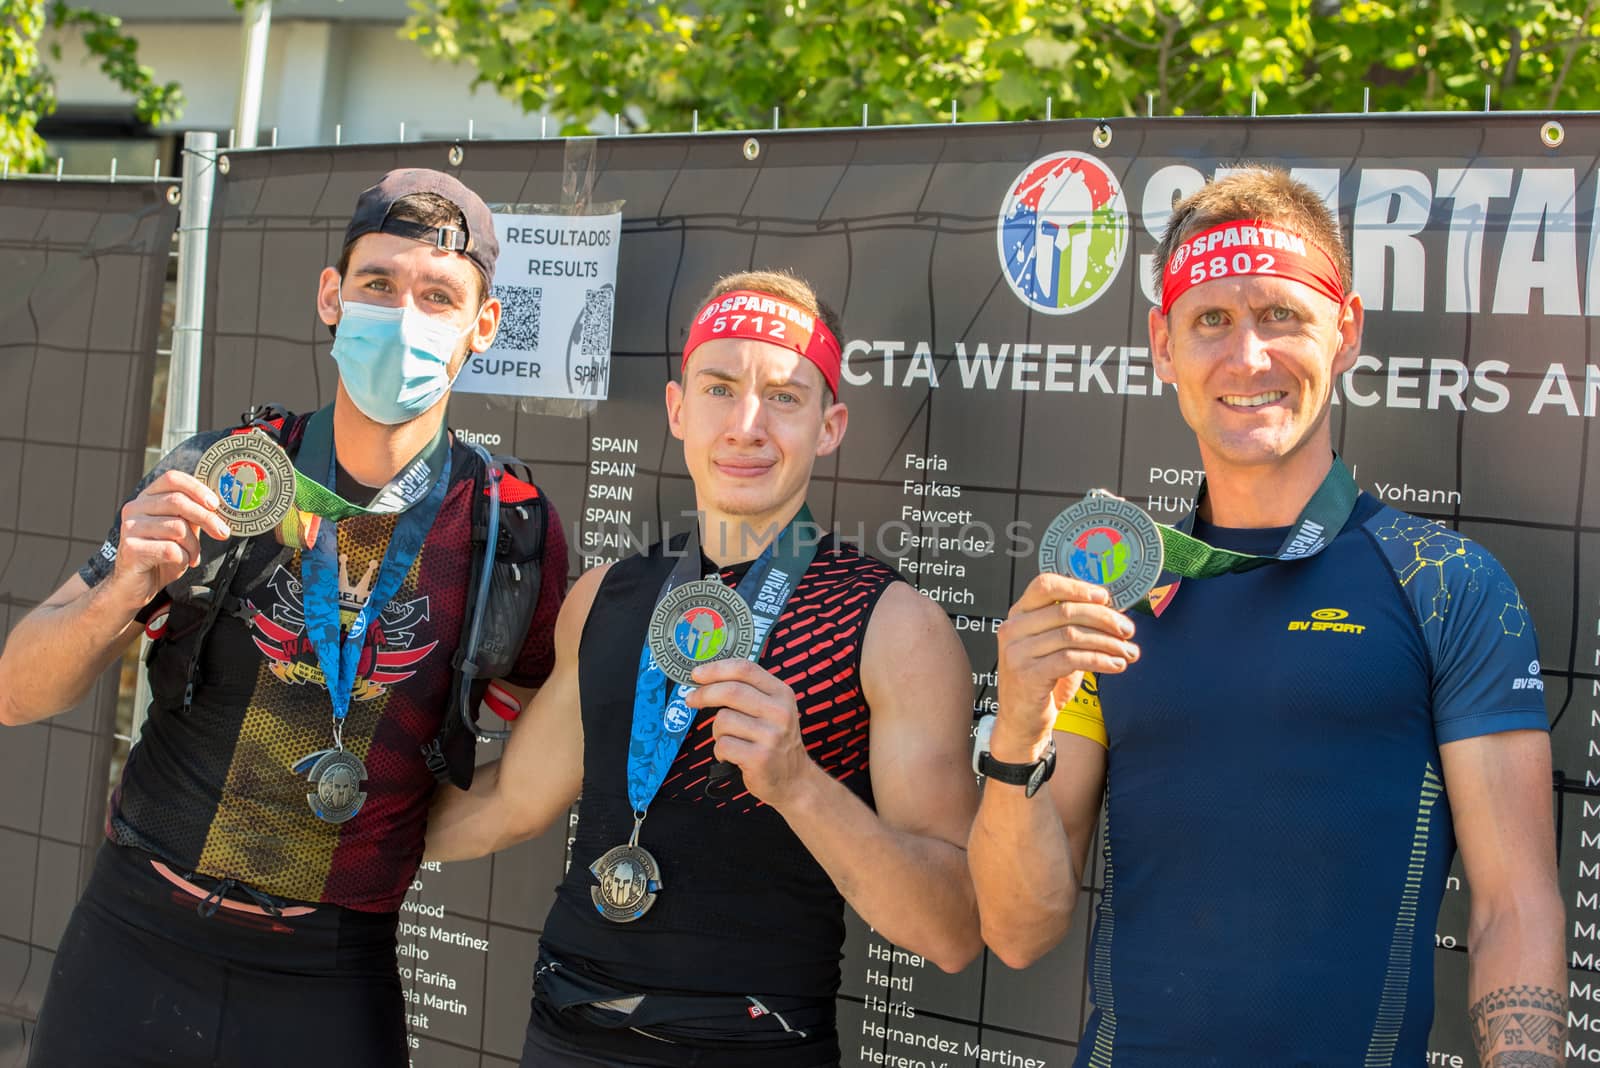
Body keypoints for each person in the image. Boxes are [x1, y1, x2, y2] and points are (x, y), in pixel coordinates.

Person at [967, 168, 1568, 1067]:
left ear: (1347, 331)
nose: (1247, 356)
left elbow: (1515, 907)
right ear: (1162, 348)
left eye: (1280, 314)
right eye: (1211, 319)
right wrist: (1017, 733)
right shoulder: (1111, 595)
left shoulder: (1448, 584)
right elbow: (1019, 931)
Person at [0, 168, 569, 1066]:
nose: (404, 315)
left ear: (482, 327)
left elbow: (536, 771)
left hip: (330, 976)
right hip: (133, 940)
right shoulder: (230, 470)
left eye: (438, 296)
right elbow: (16, 692)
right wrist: (120, 593)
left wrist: (386, 835)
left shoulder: (510, 527)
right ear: (331, 297)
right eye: (378, 285)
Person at [425, 268, 983, 1067]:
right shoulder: (605, 596)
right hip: (565, 1030)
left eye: (785, 396)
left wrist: (799, 786)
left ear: (830, 426)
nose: (746, 425)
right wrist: (322, 835)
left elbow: (952, 929)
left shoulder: (895, 628)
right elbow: (512, 802)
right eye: (720, 388)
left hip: (750, 1043)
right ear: (678, 409)